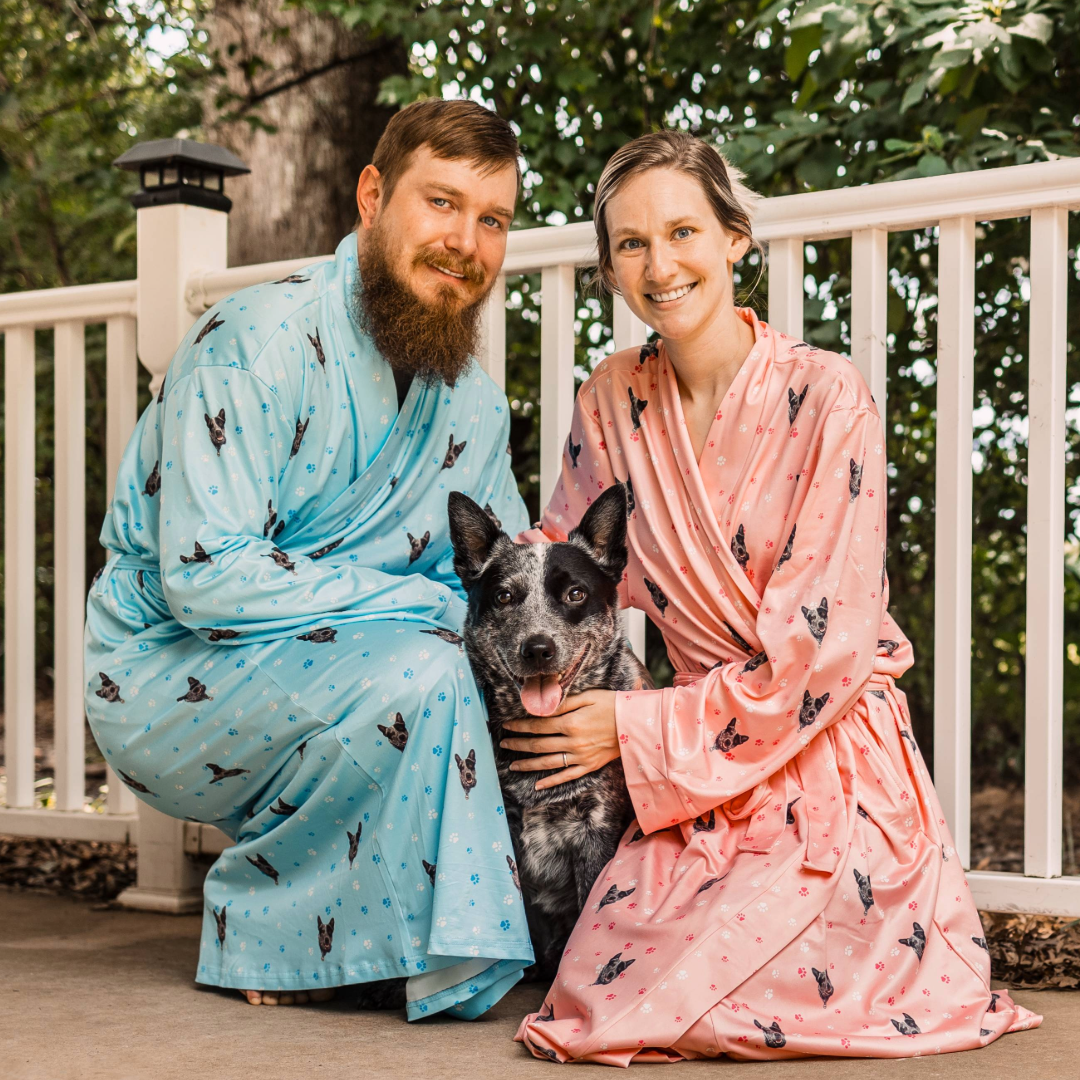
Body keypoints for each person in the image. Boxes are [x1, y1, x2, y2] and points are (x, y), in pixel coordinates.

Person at [508, 130, 1042, 1064]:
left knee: (759, 982)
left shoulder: (829, 393)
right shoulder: (611, 398)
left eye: (682, 231)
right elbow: (569, 560)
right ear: (608, 267)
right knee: (607, 986)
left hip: (824, 738)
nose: (659, 264)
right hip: (696, 762)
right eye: (630, 243)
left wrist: (630, 728)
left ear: (734, 239)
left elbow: (820, 654)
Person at [84, 98, 534, 1016]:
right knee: (431, 668)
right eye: (441, 203)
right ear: (372, 196)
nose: (466, 242)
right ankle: (270, 931)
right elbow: (205, 574)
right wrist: (425, 607)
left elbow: (500, 582)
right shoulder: (254, 343)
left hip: (352, 662)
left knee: (518, 666)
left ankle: (407, 938)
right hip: (164, 665)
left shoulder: (475, 407)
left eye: (491, 220)